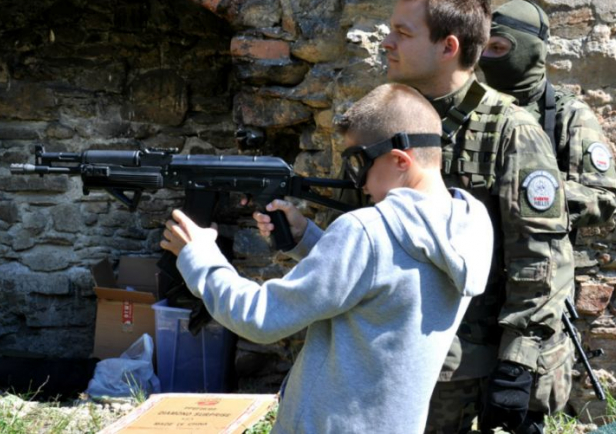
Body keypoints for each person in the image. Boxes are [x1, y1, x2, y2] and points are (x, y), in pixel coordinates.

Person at [254, 0, 575, 434]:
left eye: (402, 34)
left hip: (459, 368)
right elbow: (369, 244)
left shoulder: (511, 133)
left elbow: (541, 260)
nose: (385, 43)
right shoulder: (385, 115)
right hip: (374, 354)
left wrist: (519, 362)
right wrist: (307, 236)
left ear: (448, 47)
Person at [161, 83, 494, 434]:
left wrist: (198, 255)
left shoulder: (367, 231)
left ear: (400, 160)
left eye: (359, 164)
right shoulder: (467, 224)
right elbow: (387, 282)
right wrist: (308, 239)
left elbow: (260, 318)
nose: (359, 182)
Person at [478, 0, 616, 235]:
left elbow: (603, 200)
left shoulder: (569, 114)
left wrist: (531, 190)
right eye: (484, 48)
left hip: (542, 263)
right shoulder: (474, 107)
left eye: (498, 48)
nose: (487, 58)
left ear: (530, 51)